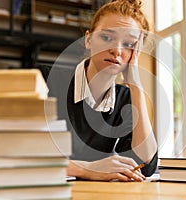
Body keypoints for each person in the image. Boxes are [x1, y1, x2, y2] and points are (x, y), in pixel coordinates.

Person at [47, 0, 158, 182]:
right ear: (88, 40)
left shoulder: (125, 99)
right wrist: (85, 169)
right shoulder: (45, 81)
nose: (117, 50)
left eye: (129, 44)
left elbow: (145, 165)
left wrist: (136, 86)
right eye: (107, 38)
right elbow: (13, 155)